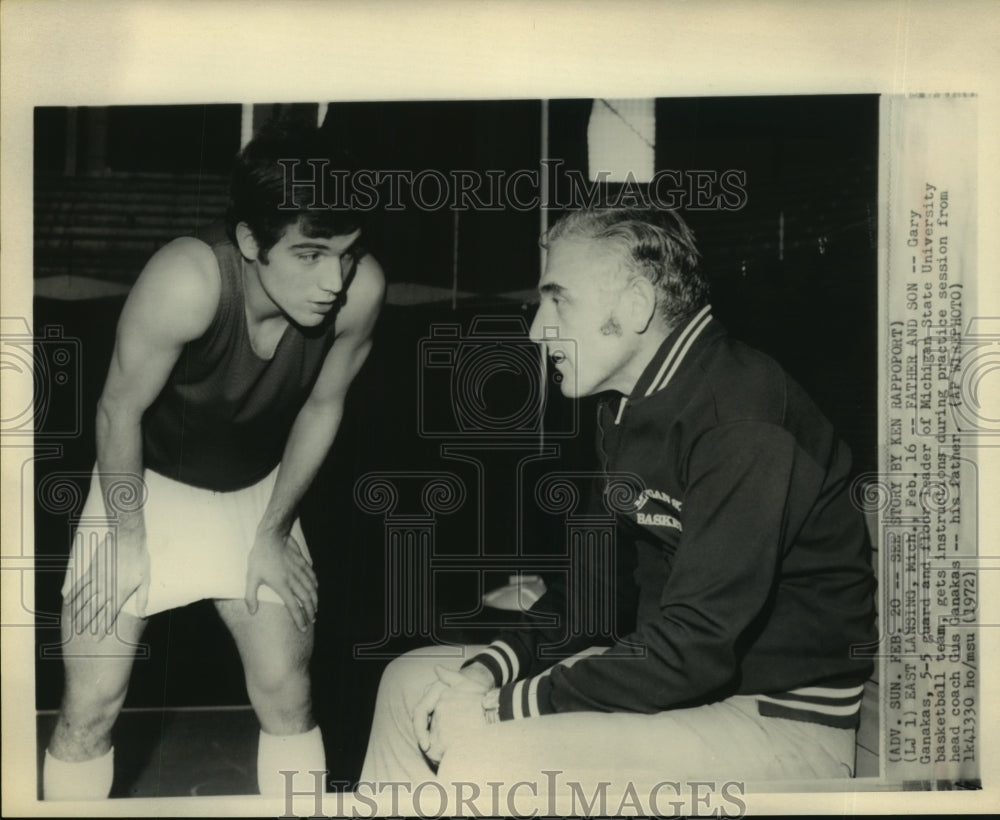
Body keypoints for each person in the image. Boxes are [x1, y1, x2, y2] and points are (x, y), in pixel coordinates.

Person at [360, 206, 876, 789]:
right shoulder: (624, 408)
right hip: (682, 689)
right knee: (410, 687)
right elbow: (590, 597)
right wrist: (487, 672)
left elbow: (693, 649)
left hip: (778, 722)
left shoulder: (742, 417)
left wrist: (498, 708)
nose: (536, 330)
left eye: (560, 300)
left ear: (635, 306)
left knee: (489, 754)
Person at [43, 122, 385, 799]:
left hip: (256, 492)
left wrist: (273, 531)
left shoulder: (361, 292)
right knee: (93, 705)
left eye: (345, 254)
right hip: (142, 488)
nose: (333, 281)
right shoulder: (186, 279)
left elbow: (322, 410)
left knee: (289, 693)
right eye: (310, 254)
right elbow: (117, 411)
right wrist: (128, 539)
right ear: (251, 242)